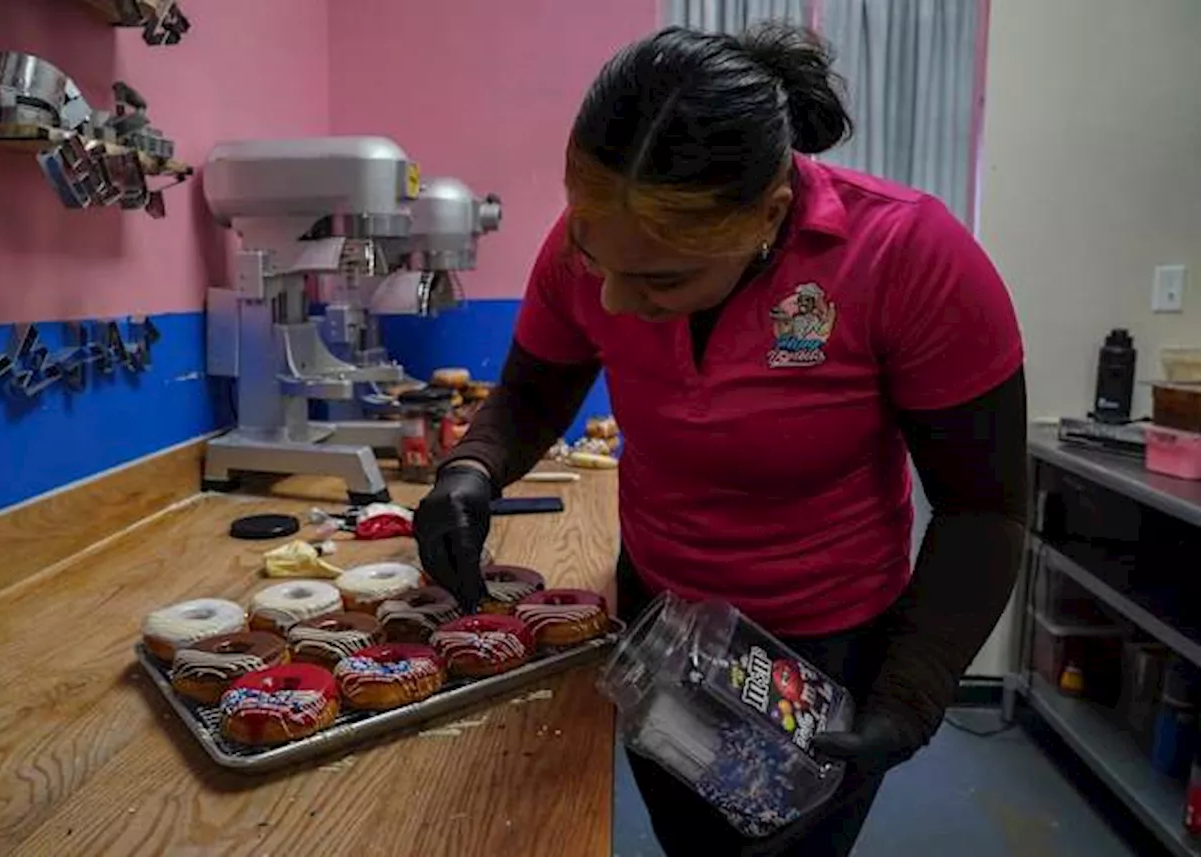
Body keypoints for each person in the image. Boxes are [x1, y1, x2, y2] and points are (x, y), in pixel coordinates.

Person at [414, 22, 1026, 857]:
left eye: (663, 278)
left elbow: (982, 506)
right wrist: (472, 468)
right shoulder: (593, 242)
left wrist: (912, 690)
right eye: (599, 260)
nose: (617, 304)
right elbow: (534, 387)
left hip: (824, 645)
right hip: (661, 620)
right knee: (694, 842)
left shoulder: (908, 255)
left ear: (770, 214)